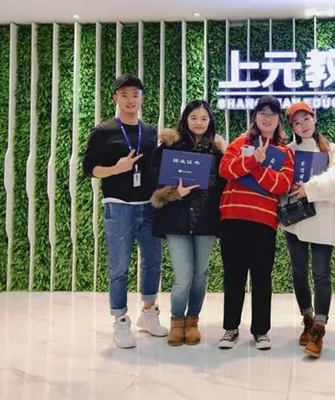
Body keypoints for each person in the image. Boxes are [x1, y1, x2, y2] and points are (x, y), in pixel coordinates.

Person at [82, 74, 167, 349]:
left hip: (149, 205)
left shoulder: (150, 132)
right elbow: (90, 169)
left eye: (136, 95)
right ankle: (120, 320)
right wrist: (117, 169)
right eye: (125, 94)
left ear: (142, 99)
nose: (131, 100)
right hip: (118, 206)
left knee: (153, 260)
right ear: (115, 98)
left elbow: (155, 168)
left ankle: (148, 313)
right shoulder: (103, 131)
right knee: (119, 266)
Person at [217, 96, 294, 350]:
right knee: (234, 275)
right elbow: (225, 170)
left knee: (262, 277)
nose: (267, 118)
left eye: (272, 113)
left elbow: (282, 184)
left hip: (264, 220)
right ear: (255, 117)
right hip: (233, 217)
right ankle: (230, 329)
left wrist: (256, 167)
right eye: (262, 112)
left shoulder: (284, 152)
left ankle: (261, 331)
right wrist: (252, 160)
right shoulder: (240, 142)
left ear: (278, 119)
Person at [150, 100, 227, 346]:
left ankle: (192, 321)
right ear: (185, 119)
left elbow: (223, 183)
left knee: (200, 275)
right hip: (176, 220)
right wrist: (174, 192)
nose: (199, 123)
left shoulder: (217, 151)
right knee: (182, 276)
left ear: (210, 121)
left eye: (204, 118)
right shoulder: (169, 146)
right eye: (194, 117)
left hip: (206, 220)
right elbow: (154, 177)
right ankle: (176, 321)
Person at [281, 102, 335, 358]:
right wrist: (291, 189)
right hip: (296, 221)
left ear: (314, 118)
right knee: (299, 272)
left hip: (322, 219)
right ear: (292, 127)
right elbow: (280, 181)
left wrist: (308, 189)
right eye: (297, 123)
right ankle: (307, 318)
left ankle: (319, 328)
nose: (303, 126)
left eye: (306, 119)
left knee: (321, 274)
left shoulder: (330, 149)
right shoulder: (289, 151)